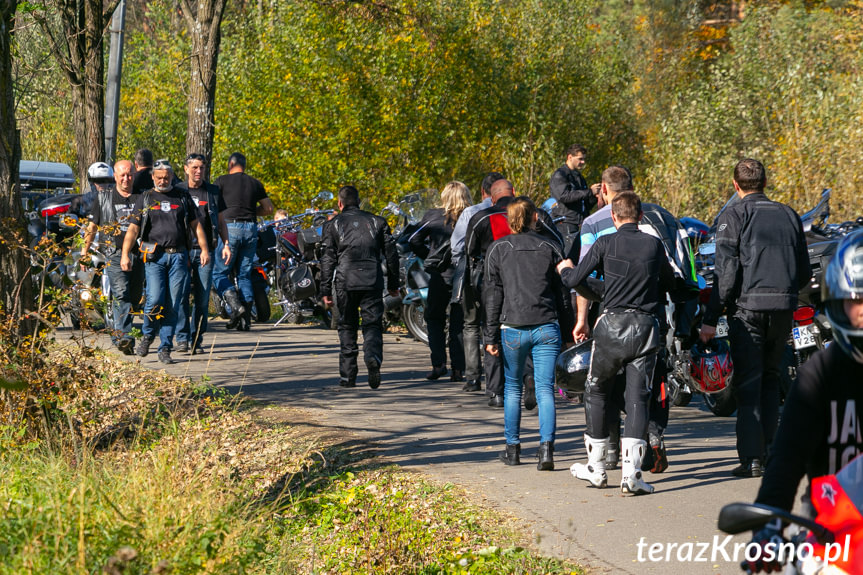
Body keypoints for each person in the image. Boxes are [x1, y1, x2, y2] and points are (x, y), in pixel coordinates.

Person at [742, 230, 863, 573]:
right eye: (858, 298)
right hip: (834, 539)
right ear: (838, 300)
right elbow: (786, 459)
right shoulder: (820, 377)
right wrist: (767, 529)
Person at [575, 165, 695, 472]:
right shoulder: (667, 219)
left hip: (613, 316)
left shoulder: (594, 224)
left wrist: (583, 317)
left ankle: (609, 452)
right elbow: (683, 270)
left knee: (606, 386)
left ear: (604, 190)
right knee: (648, 386)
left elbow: (581, 278)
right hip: (654, 316)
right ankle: (650, 439)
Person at [700, 158, 810, 478]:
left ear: (736, 185)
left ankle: (752, 459)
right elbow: (802, 270)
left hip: (747, 310)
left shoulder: (733, 215)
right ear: (764, 182)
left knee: (749, 383)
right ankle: (770, 452)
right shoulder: (789, 214)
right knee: (771, 378)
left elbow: (726, 274)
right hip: (782, 309)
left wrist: (710, 318)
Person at [560, 191, 675, 495]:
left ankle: (596, 469)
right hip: (645, 329)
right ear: (640, 216)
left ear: (613, 217)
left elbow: (575, 281)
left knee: (596, 391)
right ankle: (632, 476)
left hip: (611, 328)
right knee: (639, 398)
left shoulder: (605, 242)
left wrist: (565, 269)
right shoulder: (653, 245)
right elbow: (671, 283)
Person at [464, 179, 567, 407]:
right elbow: (558, 242)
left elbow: (469, 249)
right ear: (514, 193)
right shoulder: (536, 214)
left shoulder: (481, 217)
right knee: (528, 326)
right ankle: (529, 375)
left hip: (494, 280)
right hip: (533, 282)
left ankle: (496, 391)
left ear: (491, 197)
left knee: (493, 329)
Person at [484, 197, 568, 470]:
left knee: (512, 388)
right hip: (546, 324)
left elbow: (493, 296)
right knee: (545, 389)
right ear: (535, 218)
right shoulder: (550, 247)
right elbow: (562, 295)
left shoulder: (498, 249)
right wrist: (567, 332)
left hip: (513, 326)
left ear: (509, 220)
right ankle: (546, 451)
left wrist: (490, 336)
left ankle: (513, 449)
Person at [120, 159, 210, 365]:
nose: (163, 180)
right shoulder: (145, 198)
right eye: (159, 177)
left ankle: (165, 347)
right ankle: (148, 335)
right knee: (154, 299)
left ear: (171, 177)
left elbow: (197, 226)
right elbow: (133, 229)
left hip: (179, 257)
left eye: (166, 177)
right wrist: (125, 254)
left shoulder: (183, 196)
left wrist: (204, 249)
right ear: (153, 177)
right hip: (155, 257)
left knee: (173, 303)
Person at [320, 185, 400, 389]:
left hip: (345, 280)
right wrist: (393, 284)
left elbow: (327, 259)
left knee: (347, 326)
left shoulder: (332, 225)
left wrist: (325, 291)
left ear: (339, 203)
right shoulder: (378, 222)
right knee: (372, 324)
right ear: (358, 201)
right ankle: (373, 356)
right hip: (372, 279)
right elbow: (392, 256)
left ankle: (348, 377)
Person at [408, 181, 472, 382]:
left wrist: (430, 257)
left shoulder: (433, 216)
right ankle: (458, 369)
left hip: (440, 275)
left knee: (434, 319)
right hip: (464, 275)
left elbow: (413, 240)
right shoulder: (472, 217)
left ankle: (438, 364)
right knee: (459, 323)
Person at [80, 160, 142, 354]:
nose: (126, 178)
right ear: (115, 176)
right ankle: (125, 336)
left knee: (134, 296)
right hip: (113, 253)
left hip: (138, 254)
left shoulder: (143, 197)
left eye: (129, 174)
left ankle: (117, 336)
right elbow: (92, 228)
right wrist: (84, 252)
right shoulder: (103, 197)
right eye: (122, 175)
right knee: (121, 293)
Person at [451, 172, 503, 394]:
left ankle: (473, 377)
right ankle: (502, 376)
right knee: (498, 324)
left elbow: (457, 246)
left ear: (483, 191)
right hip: (503, 276)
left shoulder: (471, 213)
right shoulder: (512, 211)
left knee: (471, 324)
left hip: (474, 273)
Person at [212, 152, 274, 330]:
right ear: (244, 166)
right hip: (250, 229)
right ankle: (245, 319)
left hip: (230, 229)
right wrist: (251, 212)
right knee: (244, 274)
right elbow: (268, 208)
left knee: (220, 273)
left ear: (230, 164)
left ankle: (235, 306)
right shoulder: (254, 183)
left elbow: (214, 206)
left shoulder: (221, 181)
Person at [175, 153, 221, 355]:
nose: (198, 171)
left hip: (205, 252)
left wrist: (226, 243)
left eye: (201, 167)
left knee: (202, 298)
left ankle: (196, 338)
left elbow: (221, 219)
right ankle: (182, 338)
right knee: (181, 295)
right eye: (194, 167)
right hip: (182, 251)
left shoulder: (212, 192)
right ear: (186, 169)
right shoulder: (177, 191)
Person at [548, 144, 601, 260]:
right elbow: (564, 197)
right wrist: (589, 192)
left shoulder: (579, 177)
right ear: (570, 157)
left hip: (578, 224)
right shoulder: (560, 175)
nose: (583, 162)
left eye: (584, 159)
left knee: (578, 259)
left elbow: (584, 204)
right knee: (568, 258)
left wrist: (595, 196)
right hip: (565, 223)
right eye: (580, 159)